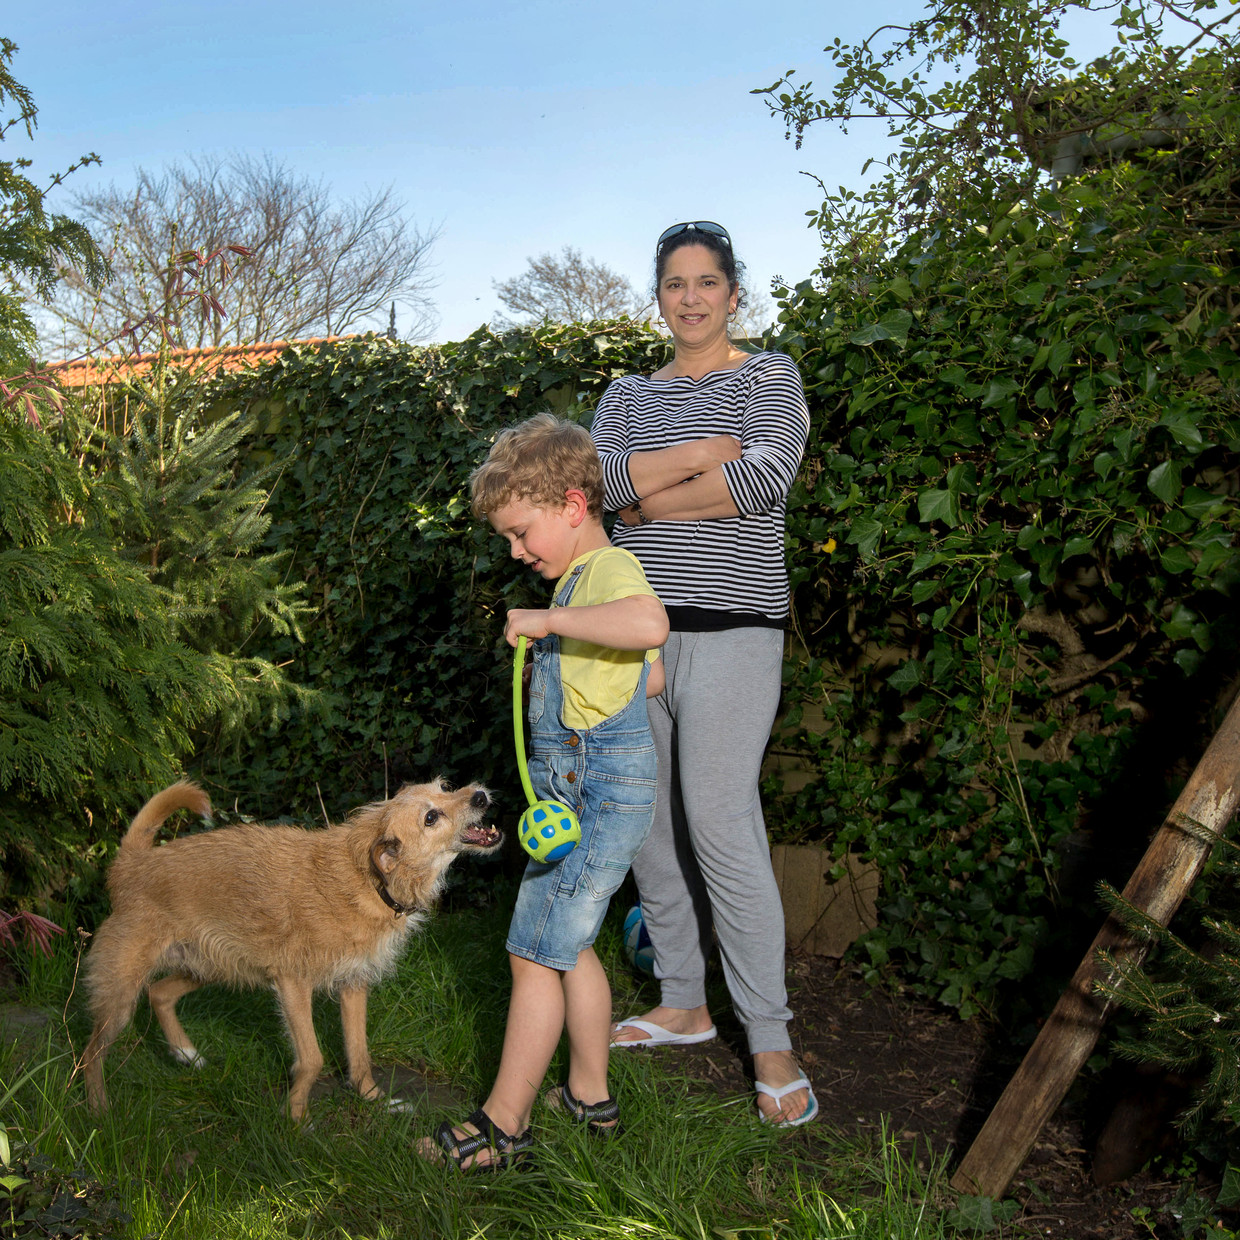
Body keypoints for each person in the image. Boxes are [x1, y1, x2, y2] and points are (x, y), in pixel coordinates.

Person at [590, 220, 816, 1127]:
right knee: (646, 822)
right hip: (630, 635)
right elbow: (596, 487)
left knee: (720, 822)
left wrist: (642, 497)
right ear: (660, 296)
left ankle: (770, 1037)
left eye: (707, 282)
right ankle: (683, 1002)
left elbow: (763, 481)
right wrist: (690, 458)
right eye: (675, 283)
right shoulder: (626, 394)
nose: (691, 297)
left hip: (732, 628)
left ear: (733, 294)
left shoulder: (770, 377)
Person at [419, 412, 669, 1171]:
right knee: (570, 945)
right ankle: (590, 1095)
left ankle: (505, 1125)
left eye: (523, 531)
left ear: (571, 504)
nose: (517, 549)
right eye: (506, 539)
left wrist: (552, 619)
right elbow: (648, 673)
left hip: (593, 793)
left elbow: (651, 624)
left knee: (533, 953)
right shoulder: (585, 581)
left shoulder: (604, 575)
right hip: (587, 793)